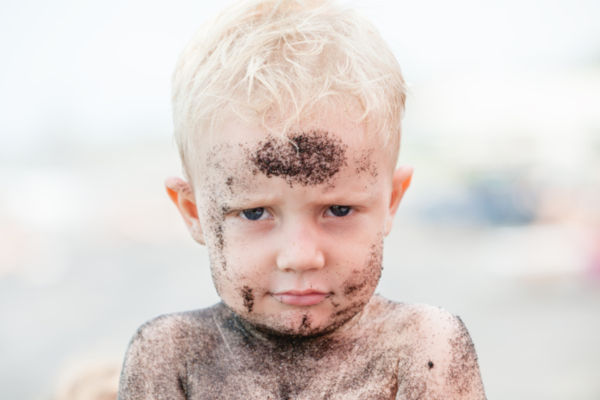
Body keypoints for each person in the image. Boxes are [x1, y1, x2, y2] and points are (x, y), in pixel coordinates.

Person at [117, 0, 486, 398]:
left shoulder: (422, 347)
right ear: (194, 212)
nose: (300, 256)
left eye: (338, 210)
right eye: (255, 212)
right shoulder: (170, 355)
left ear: (390, 202)